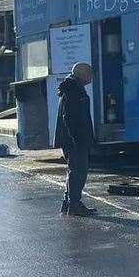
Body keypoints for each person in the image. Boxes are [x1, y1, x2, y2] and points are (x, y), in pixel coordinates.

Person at [58, 62, 96, 216]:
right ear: (82, 74)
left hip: (73, 138)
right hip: (75, 139)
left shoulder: (71, 87)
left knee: (73, 170)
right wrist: (77, 138)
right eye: (90, 73)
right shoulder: (73, 90)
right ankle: (74, 203)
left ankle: (68, 202)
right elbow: (70, 117)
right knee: (79, 171)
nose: (92, 77)